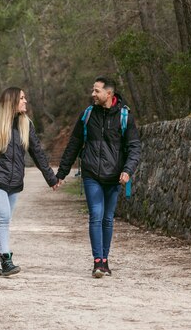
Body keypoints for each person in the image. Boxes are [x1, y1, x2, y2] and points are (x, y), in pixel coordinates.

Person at [56, 76, 141, 278]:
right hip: (91, 173)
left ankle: (105, 260)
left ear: (109, 94)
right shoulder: (87, 114)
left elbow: (134, 147)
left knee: (108, 219)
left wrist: (128, 170)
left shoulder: (124, 117)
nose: (92, 94)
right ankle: (98, 263)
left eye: (96, 91)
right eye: (92, 90)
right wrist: (61, 173)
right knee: (96, 215)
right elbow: (74, 144)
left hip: (114, 177)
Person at [0, 87, 59, 277]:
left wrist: (51, 178)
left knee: (5, 219)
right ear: (11, 101)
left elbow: (38, 154)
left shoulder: (26, 124)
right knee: (3, 218)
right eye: (22, 98)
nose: (25, 101)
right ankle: (6, 260)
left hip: (15, 181)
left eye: (25, 98)